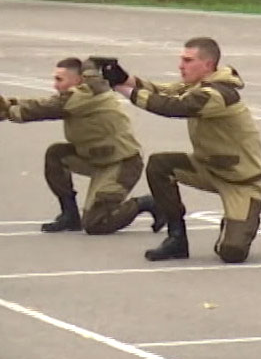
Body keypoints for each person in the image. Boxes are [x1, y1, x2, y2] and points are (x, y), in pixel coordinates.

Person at [115, 37, 261, 264]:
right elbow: (161, 90)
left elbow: (174, 107)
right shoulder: (197, 85)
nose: (180, 65)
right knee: (160, 165)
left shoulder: (218, 94)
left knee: (232, 253)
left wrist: (125, 91)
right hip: (207, 167)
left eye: (188, 60)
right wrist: (124, 79)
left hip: (242, 180)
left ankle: (238, 222)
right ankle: (176, 239)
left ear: (207, 65)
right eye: (181, 60)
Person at [2, 57, 153, 234]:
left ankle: (147, 203)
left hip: (121, 164)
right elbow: (46, 103)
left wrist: (7, 109)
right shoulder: (81, 94)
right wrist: (8, 104)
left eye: (60, 80)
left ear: (79, 80)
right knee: (56, 154)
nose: (55, 85)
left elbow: (41, 109)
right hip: (95, 158)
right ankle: (70, 216)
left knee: (96, 224)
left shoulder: (87, 96)